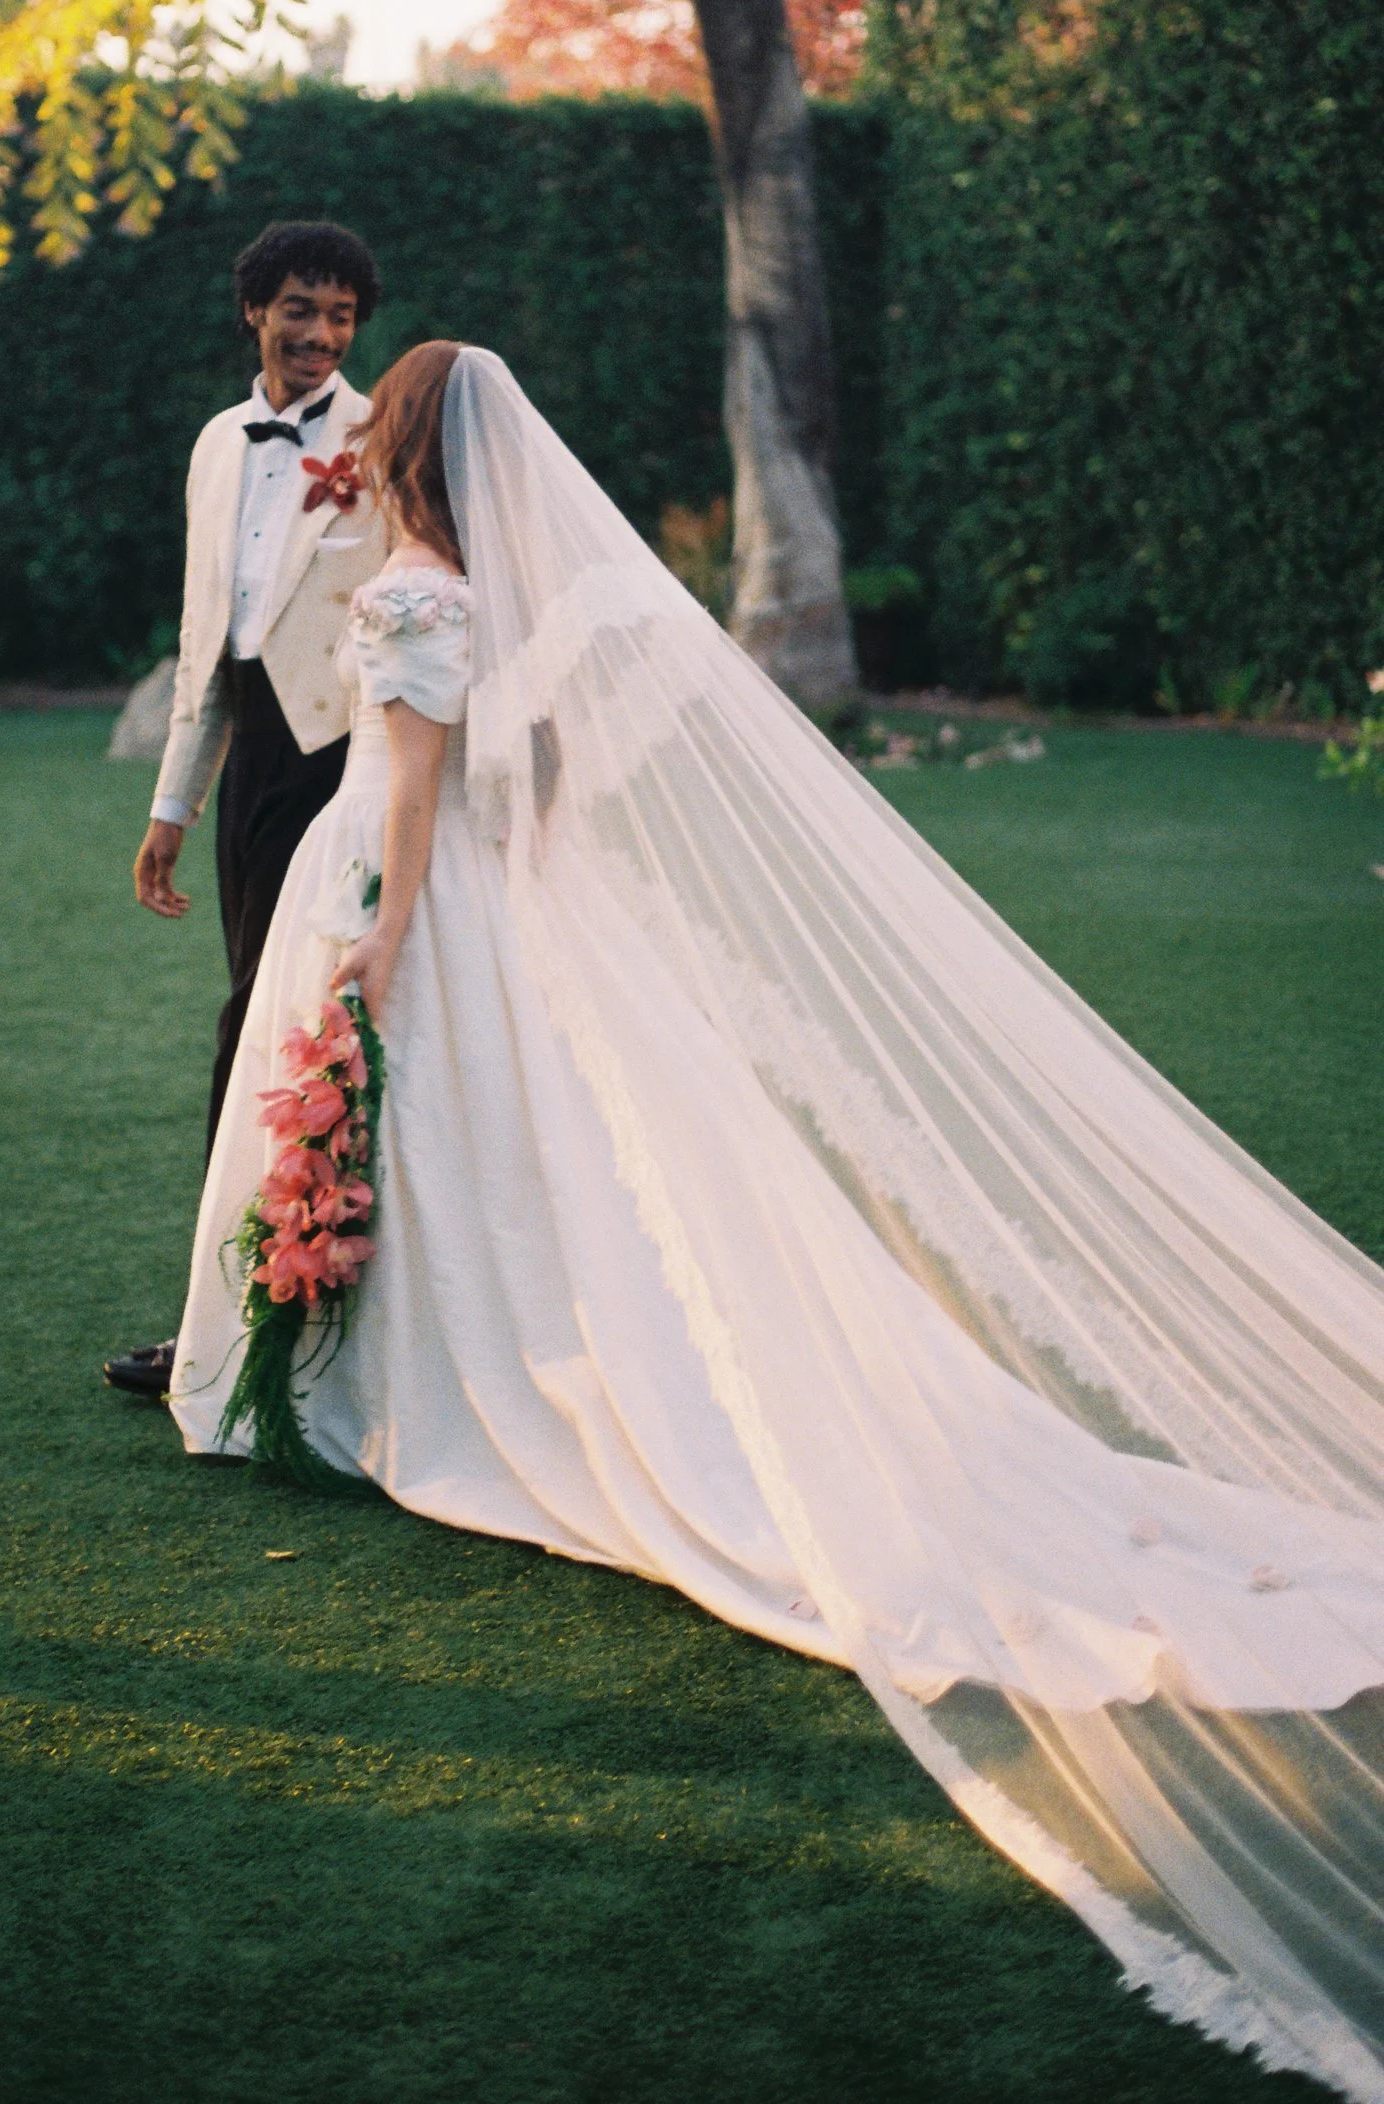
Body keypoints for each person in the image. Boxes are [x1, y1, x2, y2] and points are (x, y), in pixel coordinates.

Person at [171, 339, 1384, 2098]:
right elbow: (546, 770)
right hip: (502, 898)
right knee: (524, 1169)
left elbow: (420, 791)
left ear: (409, 446)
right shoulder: (512, 587)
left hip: (406, 886)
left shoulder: (426, 593)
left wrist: (383, 933)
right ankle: (365, 1360)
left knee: (462, 1148)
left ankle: (391, 1382)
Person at [105, 221, 388, 1398]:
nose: (319, 336)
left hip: (356, 762)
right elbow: (204, 636)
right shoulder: (219, 444)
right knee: (254, 1031)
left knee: (329, 1033)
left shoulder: (384, 435)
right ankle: (228, 1314)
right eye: (299, 311)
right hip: (257, 775)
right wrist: (176, 799)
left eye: (339, 317)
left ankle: (326, 1331)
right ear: (254, 312)